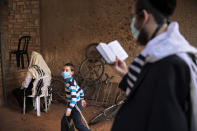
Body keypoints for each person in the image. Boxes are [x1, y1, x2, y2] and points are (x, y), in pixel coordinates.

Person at [111, 0, 197, 131]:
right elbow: (148, 93)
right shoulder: (164, 55)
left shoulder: (168, 64)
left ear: (144, 17)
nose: (133, 24)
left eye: (133, 17)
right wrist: (124, 73)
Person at [61, 63, 90, 131]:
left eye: (67, 70)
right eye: (63, 70)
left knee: (78, 125)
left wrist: (69, 109)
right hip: (73, 104)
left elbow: (74, 99)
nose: (64, 72)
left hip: (74, 105)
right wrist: (82, 99)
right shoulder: (70, 80)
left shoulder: (71, 84)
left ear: (72, 72)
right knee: (64, 121)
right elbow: (81, 90)